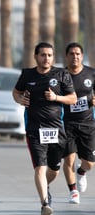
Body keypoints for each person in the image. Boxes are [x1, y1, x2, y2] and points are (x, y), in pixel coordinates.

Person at [12, 42, 77, 215]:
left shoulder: (61, 74)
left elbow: (73, 98)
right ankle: (45, 204)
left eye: (49, 55)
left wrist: (56, 97)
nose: (46, 58)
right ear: (36, 56)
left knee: (54, 169)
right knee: (40, 167)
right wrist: (20, 100)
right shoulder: (27, 74)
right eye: (43, 55)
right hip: (34, 129)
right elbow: (16, 92)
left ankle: (45, 187)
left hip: (57, 129)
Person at [62, 42, 95, 204]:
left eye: (77, 54)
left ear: (82, 56)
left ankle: (81, 172)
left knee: (89, 163)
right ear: (66, 56)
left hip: (88, 124)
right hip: (66, 124)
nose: (75, 56)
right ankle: (73, 191)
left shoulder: (91, 74)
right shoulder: (60, 76)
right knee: (68, 160)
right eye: (71, 54)